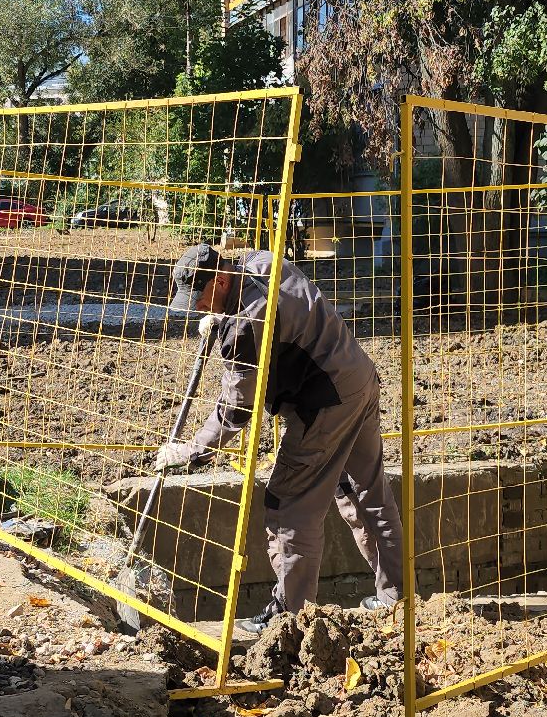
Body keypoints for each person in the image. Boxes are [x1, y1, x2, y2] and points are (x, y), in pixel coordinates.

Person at [154, 243, 404, 635]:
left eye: (200, 298)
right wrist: (219, 317)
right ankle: (397, 600)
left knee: (289, 505)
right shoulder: (258, 262)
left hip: (324, 404)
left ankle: (292, 618)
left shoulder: (244, 326)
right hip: (357, 377)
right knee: (364, 494)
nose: (197, 308)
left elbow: (237, 408)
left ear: (221, 280)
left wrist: (191, 451)